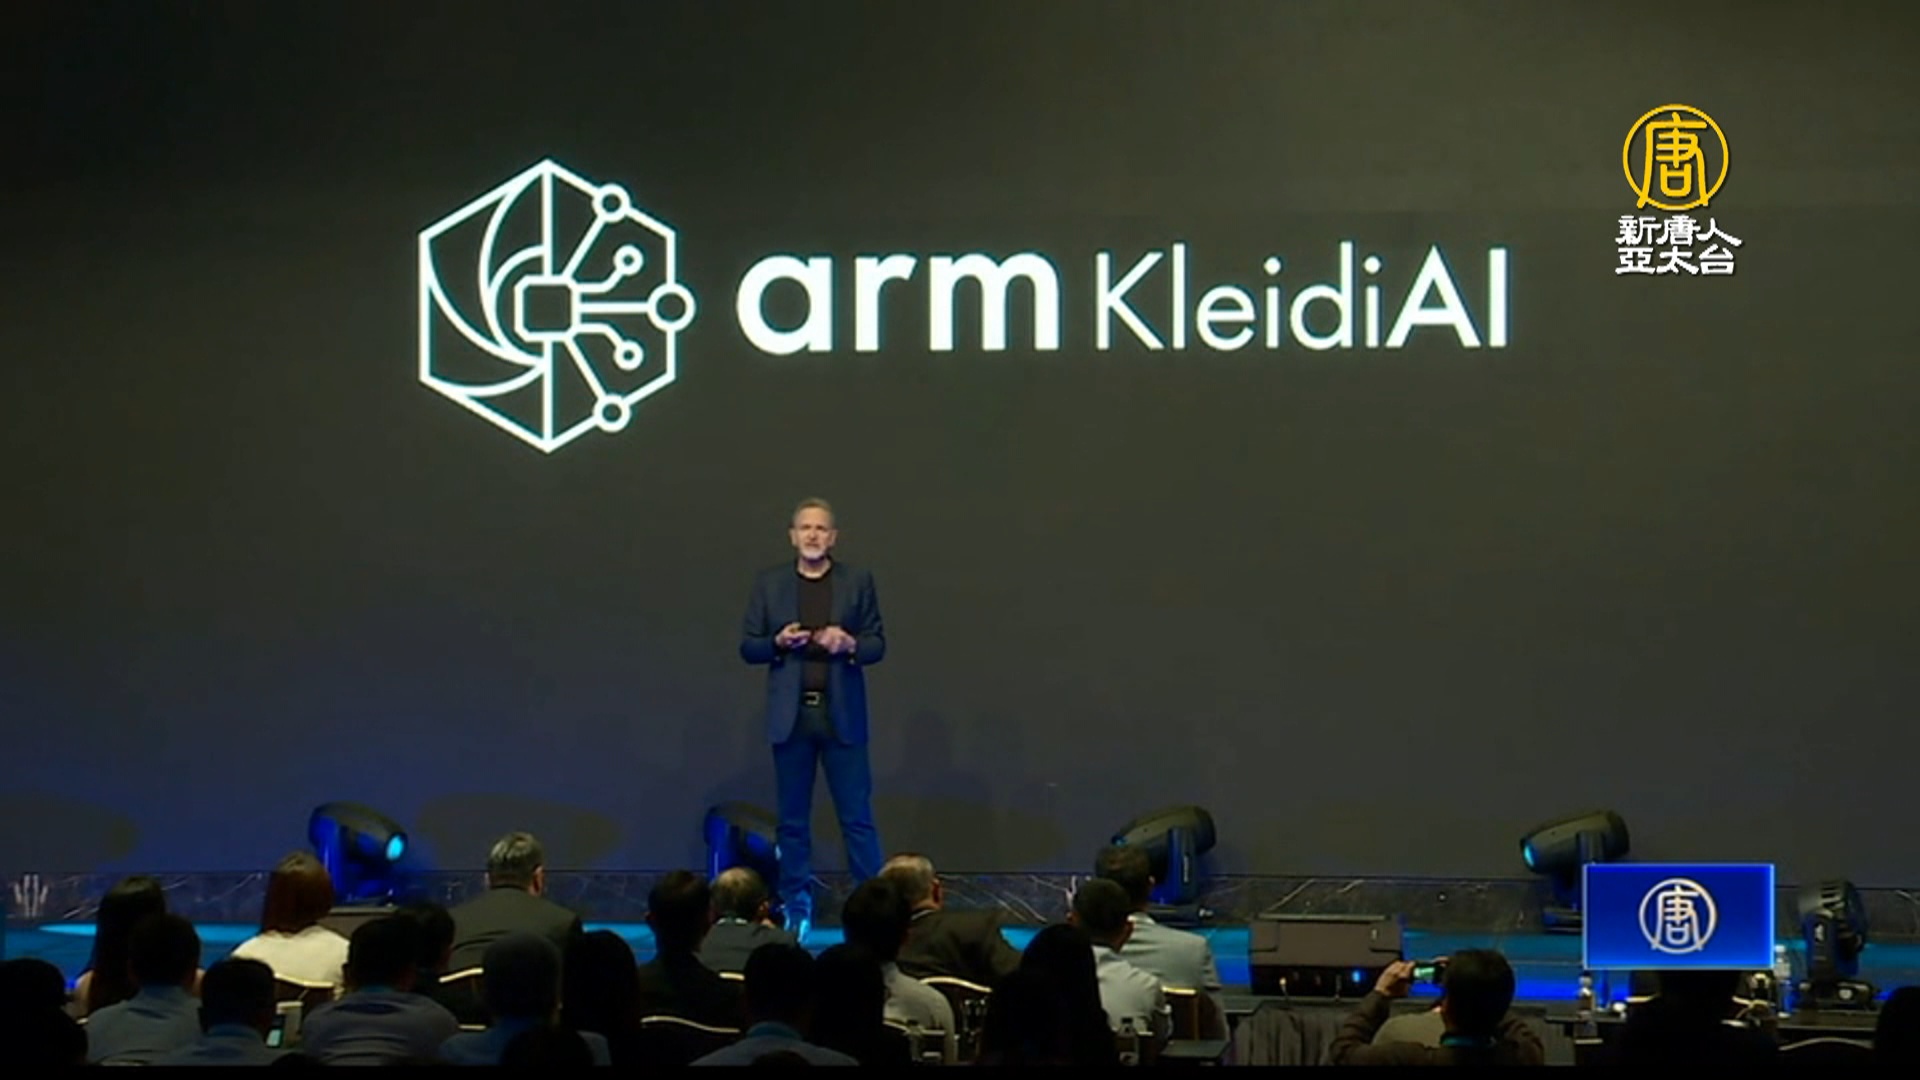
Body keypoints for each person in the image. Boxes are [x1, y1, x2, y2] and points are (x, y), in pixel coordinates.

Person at [738, 497, 887, 935]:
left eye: (821, 528)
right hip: (792, 718)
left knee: (856, 819)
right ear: (793, 535)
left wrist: (851, 644)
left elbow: (877, 643)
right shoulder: (770, 584)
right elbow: (749, 646)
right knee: (793, 823)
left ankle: (872, 912)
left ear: (833, 537)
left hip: (842, 716)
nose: (813, 535)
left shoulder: (856, 581)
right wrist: (778, 642)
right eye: (805, 528)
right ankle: (797, 909)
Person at [1326, 951, 1544, 1065]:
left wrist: (1381, 994)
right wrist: (1479, 985)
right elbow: (1510, 1023)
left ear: (1445, 1008)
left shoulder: (1406, 1058)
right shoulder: (1523, 1057)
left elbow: (1343, 1052)